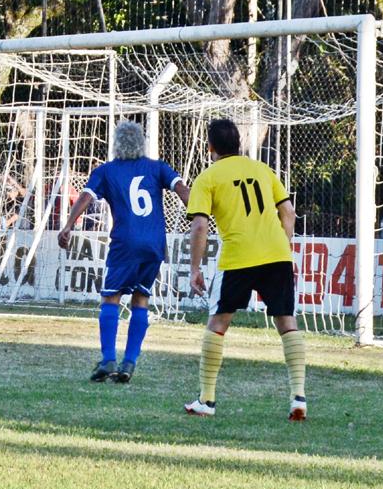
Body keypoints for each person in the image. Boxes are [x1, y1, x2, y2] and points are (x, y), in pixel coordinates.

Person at [184, 118, 306, 420]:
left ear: (210, 146)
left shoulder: (208, 177)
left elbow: (200, 225)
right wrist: (283, 248)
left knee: (218, 324)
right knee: (286, 322)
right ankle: (298, 397)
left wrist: (195, 268)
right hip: (277, 254)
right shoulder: (263, 170)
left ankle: (207, 401)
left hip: (238, 256)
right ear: (238, 143)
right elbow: (288, 212)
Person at [58, 121, 190, 383]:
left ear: (116, 144)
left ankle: (108, 359)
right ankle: (129, 362)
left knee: (111, 299)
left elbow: (85, 197)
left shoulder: (106, 171)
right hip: (154, 244)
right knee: (141, 299)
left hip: (125, 242)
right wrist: (198, 213)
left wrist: (69, 225)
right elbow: (182, 189)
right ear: (142, 144)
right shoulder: (157, 167)